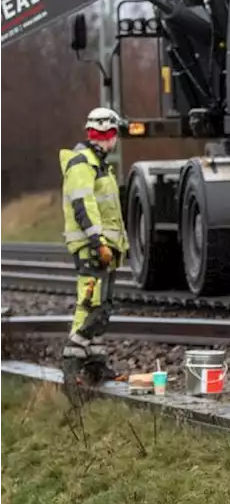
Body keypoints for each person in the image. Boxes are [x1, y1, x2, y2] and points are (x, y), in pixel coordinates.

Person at [60, 107, 129, 384]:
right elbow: (83, 206)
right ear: (109, 134)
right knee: (90, 306)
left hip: (106, 247)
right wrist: (97, 241)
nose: (117, 141)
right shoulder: (82, 164)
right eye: (115, 134)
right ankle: (71, 364)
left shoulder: (100, 164)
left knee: (104, 305)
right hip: (93, 247)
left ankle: (96, 364)